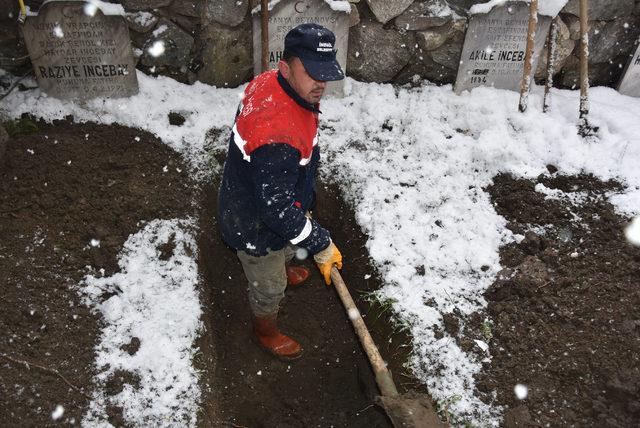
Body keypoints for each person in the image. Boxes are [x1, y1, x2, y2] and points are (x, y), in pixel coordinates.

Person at [217, 23, 344, 360]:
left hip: (267, 193)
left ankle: (284, 265)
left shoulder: (272, 84)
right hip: (254, 223)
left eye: (326, 73)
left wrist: (298, 206)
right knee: (269, 285)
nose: (321, 83)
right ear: (285, 67)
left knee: (288, 241)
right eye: (312, 73)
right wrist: (320, 242)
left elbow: (281, 200)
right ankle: (265, 331)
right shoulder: (276, 136)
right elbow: (275, 212)